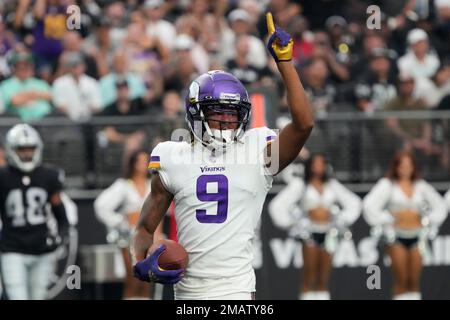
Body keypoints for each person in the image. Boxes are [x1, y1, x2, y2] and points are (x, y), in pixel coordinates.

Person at [130, 13, 314, 300]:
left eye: (233, 114)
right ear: (196, 112)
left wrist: (285, 63)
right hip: (187, 294)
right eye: (218, 114)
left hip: (236, 291)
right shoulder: (173, 156)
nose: (227, 122)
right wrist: (141, 262)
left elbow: (303, 124)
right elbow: (144, 227)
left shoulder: (258, 152)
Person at [268, 154, 361, 300]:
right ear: (309, 166)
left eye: (321, 164)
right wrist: (293, 222)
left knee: (324, 278)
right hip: (309, 234)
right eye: (315, 164)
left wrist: (341, 219)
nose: (318, 167)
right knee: (309, 276)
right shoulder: (301, 185)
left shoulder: (332, 185)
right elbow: (277, 206)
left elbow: (354, 203)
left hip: (329, 233)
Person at [363, 151, 447, 300]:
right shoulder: (387, 185)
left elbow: (440, 206)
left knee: (414, 281)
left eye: (409, 166)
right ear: (396, 167)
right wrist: (388, 218)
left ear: (414, 167)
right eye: (402, 166)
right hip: (396, 237)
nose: (405, 169)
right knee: (400, 280)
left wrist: (426, 220)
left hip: (417, 237)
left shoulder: (420, 186)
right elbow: (369, 206)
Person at [0, 124, 70, 300]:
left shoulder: (48, 175)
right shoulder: (3, 177)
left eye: (30, 149)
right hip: (12, 248)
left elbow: (60, 213)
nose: (26, 154)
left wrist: (61, 234)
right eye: (21, 149)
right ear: (11, 150)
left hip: (42, 248)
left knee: (38, 296)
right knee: (17, 296)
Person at [94, 150, 162, 300]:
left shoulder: (154, 184)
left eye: (146, 161)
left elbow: (160, 212)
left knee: (148, 281)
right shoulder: (124, 185)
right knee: (133, 279)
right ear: (132, 164)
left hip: (151, 238)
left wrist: (158, 237)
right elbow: (101, 205)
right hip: (130, 237)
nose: (143, 165)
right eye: (140, 161)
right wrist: (121, 221)